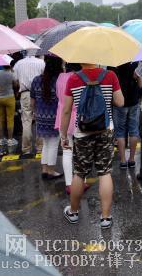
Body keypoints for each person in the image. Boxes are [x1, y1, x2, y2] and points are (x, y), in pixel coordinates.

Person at [60, 62, 123, 229]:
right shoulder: (110, 75)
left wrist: (64, 135)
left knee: (79, 173)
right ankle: (106, 218)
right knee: (105, 172)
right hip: (105, 130)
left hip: (82, 132)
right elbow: (120, 102)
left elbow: (66, 110)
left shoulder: (73, 79)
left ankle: (73, 212)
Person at [31, 56, 63, 179]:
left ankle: (45, 170)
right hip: (54, 117)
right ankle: (51, 171)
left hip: (41, 116)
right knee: (53, 144)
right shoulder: (59, 81)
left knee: (46, 144)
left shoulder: (36, 80)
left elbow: (32, 101)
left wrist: (36, 113)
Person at [54, 63, 81, 194]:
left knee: (67, 151)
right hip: (78, 117)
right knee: (81, 152)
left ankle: (69, 184)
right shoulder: (79, 78)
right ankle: (81, 182)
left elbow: (58, 96)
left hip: (62, 116)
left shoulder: (60, 77)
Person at [108, 62, 141, 169]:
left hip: (118, 101)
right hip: (133, 100)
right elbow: (140, 83)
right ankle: (131, 160)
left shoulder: (113, 63)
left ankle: (122, 161)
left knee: (120, 131)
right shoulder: (135, 62)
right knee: (134, 130)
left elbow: (109, 84)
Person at [14, 55, 45, 157]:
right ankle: (40, 147)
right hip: (39, 93)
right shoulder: (41, 63)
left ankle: (26, 149)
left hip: (25, 93)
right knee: (39, 120)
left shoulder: (19, 63)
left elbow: (15, 80)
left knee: (26, 121)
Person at [0, 65, 18, 151]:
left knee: (1, 119)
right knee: (10, 119)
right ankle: (10, 140)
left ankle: (2, 139)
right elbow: (15, 84)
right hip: (9, 97)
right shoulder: (11, 74)